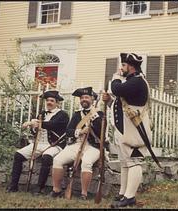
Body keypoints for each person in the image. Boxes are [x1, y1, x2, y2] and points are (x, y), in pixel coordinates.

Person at [102, 53, 152, 208]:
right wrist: (109, 101)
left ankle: (130, 197)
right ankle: (123, 194)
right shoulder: (132, 81)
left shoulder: (137, 81)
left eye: (123, 65)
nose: (120, 68)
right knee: (125, 162)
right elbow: (123, 106)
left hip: (135, 130)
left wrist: (116, 77)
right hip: (127, 128)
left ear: (130, 66)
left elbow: (117, 89)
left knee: (134, 161)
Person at [6, 90, 69, 194]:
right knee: (18, 155)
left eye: (52, 101)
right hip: (39, 143)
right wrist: (33, 127)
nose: (49, 102)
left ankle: (39, 188)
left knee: (46, 157)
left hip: (54, 144)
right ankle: (13, 186)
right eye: (47, 100)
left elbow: (52, 125)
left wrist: (35, 122)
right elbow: (35, 131)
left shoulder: (62, 115)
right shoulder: (42, 114)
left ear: (57, 103)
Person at [50, 87, 103, 200]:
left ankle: (84, 194)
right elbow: (68, 131)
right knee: (57, 160)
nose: (84, 99)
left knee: (87, 163)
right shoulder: (77, 114)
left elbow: (101, 132)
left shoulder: (99, 114)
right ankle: (56, 190)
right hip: (77, 144)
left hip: (92, 146)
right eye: (82, 97)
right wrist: (80, 131)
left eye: (86, 97)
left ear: (92, 99)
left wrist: (95, 118)